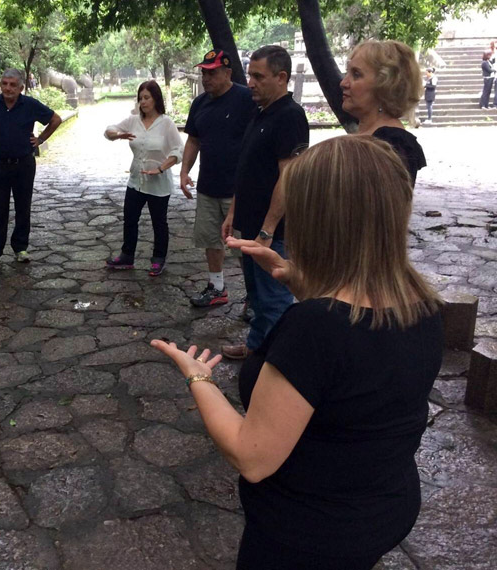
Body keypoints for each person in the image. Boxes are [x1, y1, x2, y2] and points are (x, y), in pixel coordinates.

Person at [153, 135, 443, 570]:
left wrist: (199, 378)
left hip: (306, 534)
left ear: (319, 220)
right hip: (384, 510)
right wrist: (299, 282)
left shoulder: (314, 327)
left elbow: (252, 456)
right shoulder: (422, 303)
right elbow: (358, 353)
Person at [219, 45, 309, 360]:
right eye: (250, 75)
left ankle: (276, 364)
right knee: (257, 296)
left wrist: (267, 230)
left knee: (274, 300)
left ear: (281, 77)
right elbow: (248, 169)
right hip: (250, 227)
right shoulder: (262, 112)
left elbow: (289, 178)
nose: (251, 83)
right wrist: (233, 213)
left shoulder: (290, 116)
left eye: (259, 76)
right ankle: (258, 348)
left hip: (272, 234)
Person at [180, 49, 256, 306]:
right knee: (211, 240)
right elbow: (193, 139)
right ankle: (217, 287)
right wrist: (184, 171)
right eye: (203, 72)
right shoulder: (200, 103)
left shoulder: (246, 99)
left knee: (243, 246)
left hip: (239, 190)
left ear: (227, 73)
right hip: (208, 187)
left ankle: (254, 295)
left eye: (211, 72)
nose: (206, 78)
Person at [0, 68, 62, 268]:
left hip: (24, 164)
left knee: (23, 207)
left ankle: (20, 248)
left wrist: (41, 139)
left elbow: (55, 119)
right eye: (4, 84)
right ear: (0, 85)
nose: (8, 88)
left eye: (12, 85)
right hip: (0, 164)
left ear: (20, 88)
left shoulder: (30, 105)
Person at [104, 80, 184, 276]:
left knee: (159, 222)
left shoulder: (166, 123)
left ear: (156, 98)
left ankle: (158, 258)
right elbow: (108, 130)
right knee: (130, 218)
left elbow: (179, 149)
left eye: (147, 97)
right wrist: (118, 135)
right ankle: (127, 256)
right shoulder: (133, 120)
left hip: (158, 183)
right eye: (140, 98)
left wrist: (161, 167)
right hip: (136, 180)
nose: (143, 102)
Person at [340, 40, 427, 185]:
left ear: (386, 85)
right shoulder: (370, 134)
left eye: (356, 74)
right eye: (347, 73)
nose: (343, 83)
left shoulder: (392, 143)